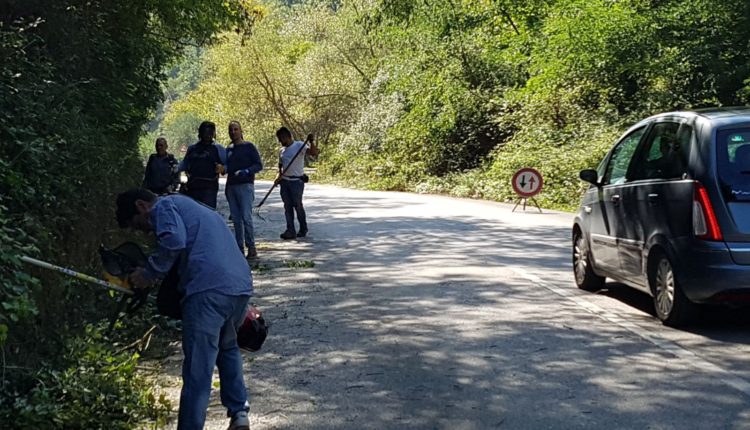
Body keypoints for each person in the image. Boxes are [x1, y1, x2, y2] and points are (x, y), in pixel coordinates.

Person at [115, 189, 252, 430]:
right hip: (239, 287)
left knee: (198, 367)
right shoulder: (191, 207)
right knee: (227, 348)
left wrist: (148, 274)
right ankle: (239, 413)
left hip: (207, 290)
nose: (142, 232)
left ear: (141, 206)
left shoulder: (163, 207)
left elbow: (174, 241)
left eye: (137, 225)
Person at [225, 121, 263, 258]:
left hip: (245, 186)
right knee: (236, 219)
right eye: (231, 130)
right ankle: (239, 248)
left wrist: (247, 171)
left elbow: (259, 165)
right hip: (231, 186)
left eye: (236, 129)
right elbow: (226, 167)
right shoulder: (228, 149)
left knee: (246, 217)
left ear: (241, 131)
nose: (233, 132)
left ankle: (251, 247)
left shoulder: (249, 147)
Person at [274, 127, 319, 240]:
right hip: (285, 182)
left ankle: (303, 228)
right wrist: (278, 178)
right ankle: (290, 230)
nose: (280, 141)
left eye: (281, 139)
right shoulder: (281, 151)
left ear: (287, 136)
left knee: (298, 205)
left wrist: (311, 142)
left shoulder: (299, 145)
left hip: (297, 182)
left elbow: (313, 153)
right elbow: (280, 168)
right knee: (287, 207)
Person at [179, 121, 227, 209]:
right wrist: (174, 167)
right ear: (200, 133)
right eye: (205, 132)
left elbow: (229, 165)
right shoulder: (192, 149)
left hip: (209, 189)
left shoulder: (218, 149)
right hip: (192, 187)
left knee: (208, 215)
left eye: (210, 132)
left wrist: (223, 169)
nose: (208, 135)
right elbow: (185, 164)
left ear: (213, 134)